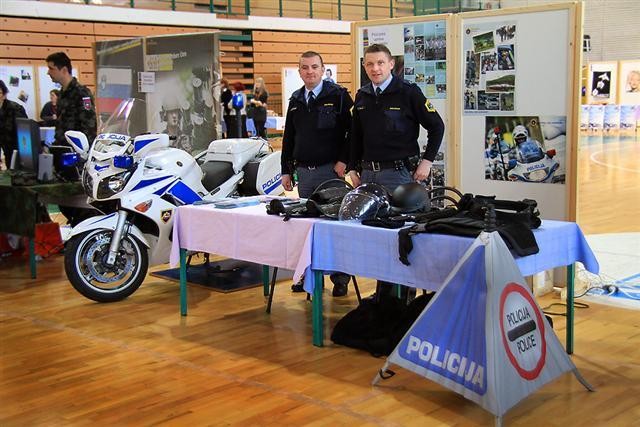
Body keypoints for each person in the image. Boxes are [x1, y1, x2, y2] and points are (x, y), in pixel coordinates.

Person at [348, 43, 444, 302]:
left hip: (399, 175)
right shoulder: (362, 96)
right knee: (376, 238)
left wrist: (427, 161)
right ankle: (384, 297)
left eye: (380, 63)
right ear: (364, 66)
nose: (375, 68)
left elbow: (437, 126)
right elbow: (356, 136)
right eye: (370, 64)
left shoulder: (408, 92)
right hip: (368, 176)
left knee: (401, 237)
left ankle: (403, 299)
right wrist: (353, 167)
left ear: (391, 64)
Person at [281, 51, 354, 297]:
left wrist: (344, 160)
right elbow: (289, 137)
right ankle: (308, 276)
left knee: (334, 226)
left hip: (330, 171)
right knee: (306, 227)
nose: (309, 71)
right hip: (304, 173)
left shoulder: (339, 96)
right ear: (299, 71)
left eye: (314, 67)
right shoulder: (295, 99)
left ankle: (340, 278)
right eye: (305, 67)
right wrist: (285, 170)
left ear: (323, 70)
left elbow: (353, 132)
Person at [45, 52, 97, 148]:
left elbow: (89, 127)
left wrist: (83, 152)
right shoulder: (61, 94)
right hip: (61, 148)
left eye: (51, 69)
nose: (48, 73)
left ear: (64, 70)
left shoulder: (82, 93)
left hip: (76, 151)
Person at [0, 80, 27, 169]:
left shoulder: (15, 109)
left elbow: (24, 134)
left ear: (4, 95)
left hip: (20, 151)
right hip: (6, 150)